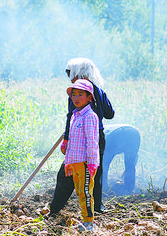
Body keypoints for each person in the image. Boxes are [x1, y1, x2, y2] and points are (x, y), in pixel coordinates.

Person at [43, 57, 114, 215]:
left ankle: (55, 209)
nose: (70, 76)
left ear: (78, 73)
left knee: (66, 174)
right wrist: (103, 99)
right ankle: (96, 209)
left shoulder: (77, 92)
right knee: (95, 172)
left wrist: (67, 139)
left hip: (78, 136)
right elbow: (110, 114)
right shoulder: (99, 91)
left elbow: (70, 116)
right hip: (98, 137)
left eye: (70, 72)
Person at [62, 79, 99, 232]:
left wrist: (91, 163)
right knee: (79, 192)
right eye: (73, 95)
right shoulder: (74, 115)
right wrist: (68, 162)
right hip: (75, 162)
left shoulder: (89, 116)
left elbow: (91, 142)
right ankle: (85, 219)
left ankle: (89, 223)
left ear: (89, 97)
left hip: (85, 162)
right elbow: (72, 141)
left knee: (85, 193)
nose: (76, 98)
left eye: (80, 95)